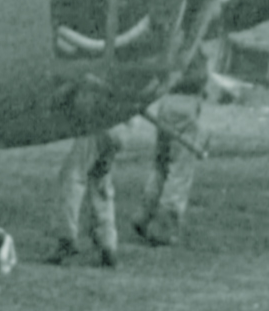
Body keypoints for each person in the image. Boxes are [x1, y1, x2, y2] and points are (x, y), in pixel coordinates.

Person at [133, 47, 234, 246]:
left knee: (161, 164)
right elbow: (198, 77)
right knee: (180, 169)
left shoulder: (177, 44)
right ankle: (164, 227)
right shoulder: (193, 49)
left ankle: (144, 214)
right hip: (185, 106)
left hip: (166, 103)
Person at [50, 123, 122, 267]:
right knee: (101, 181)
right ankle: (108, 245)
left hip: (100, 122)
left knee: (73, 176)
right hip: (121, 128)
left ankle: (66, 240)